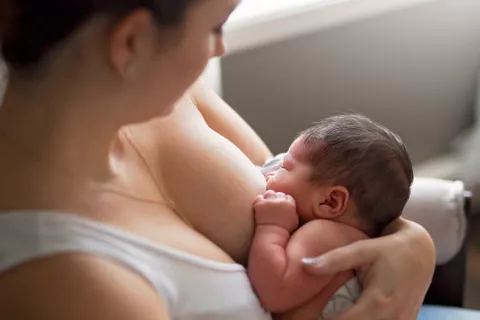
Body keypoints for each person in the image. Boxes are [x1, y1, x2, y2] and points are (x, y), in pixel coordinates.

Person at [0, 1, 435, 320]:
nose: (219, 50)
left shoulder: (170, 99)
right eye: (215, 27)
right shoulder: (68, 283)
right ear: (132, 42)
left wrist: (413, 245)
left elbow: (325, 189)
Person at [249, 114, 414, 319]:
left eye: (285, 166)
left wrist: (272, 227)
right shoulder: (357, 239)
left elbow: (274, 292)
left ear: (330, 201)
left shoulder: (325, 235)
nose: (270, 174)